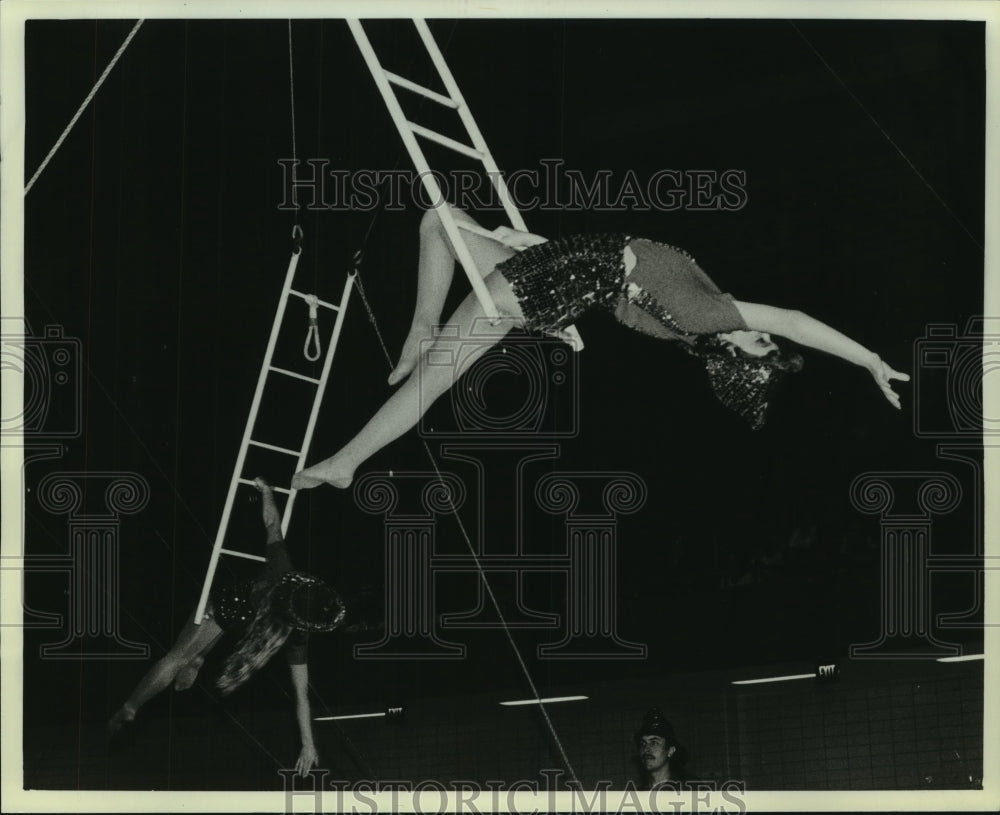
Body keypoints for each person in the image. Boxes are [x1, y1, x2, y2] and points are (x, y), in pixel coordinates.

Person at [292, 205, 909, 490]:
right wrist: (528, 245)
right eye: (768, 342)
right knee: (439, 229)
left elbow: (798, 319)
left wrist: (869, 359)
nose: (766, 335)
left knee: (436, 343)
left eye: (762, 349)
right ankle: (363, 435)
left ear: (735, 355)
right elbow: (614, 282)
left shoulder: (708, 315)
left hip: (533, 288)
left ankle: (353, 449)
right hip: (540, 283)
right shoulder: (697, 312)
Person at [106, 478, 346, 776]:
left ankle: (132, 705)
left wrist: (267, 493)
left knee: (177, 656)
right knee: (195, 654)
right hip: (242, 627)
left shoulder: (282, 569)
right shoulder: (297, 635)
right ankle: (200, 656)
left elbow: (272, 523)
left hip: (223, 608)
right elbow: (301, 694)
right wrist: (308, 745)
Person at [635, 707, 688, 787]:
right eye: (643, 743)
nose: (646, 749)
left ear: (670, 751)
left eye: (654, 743)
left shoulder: (689, 789)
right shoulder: (639, 795)